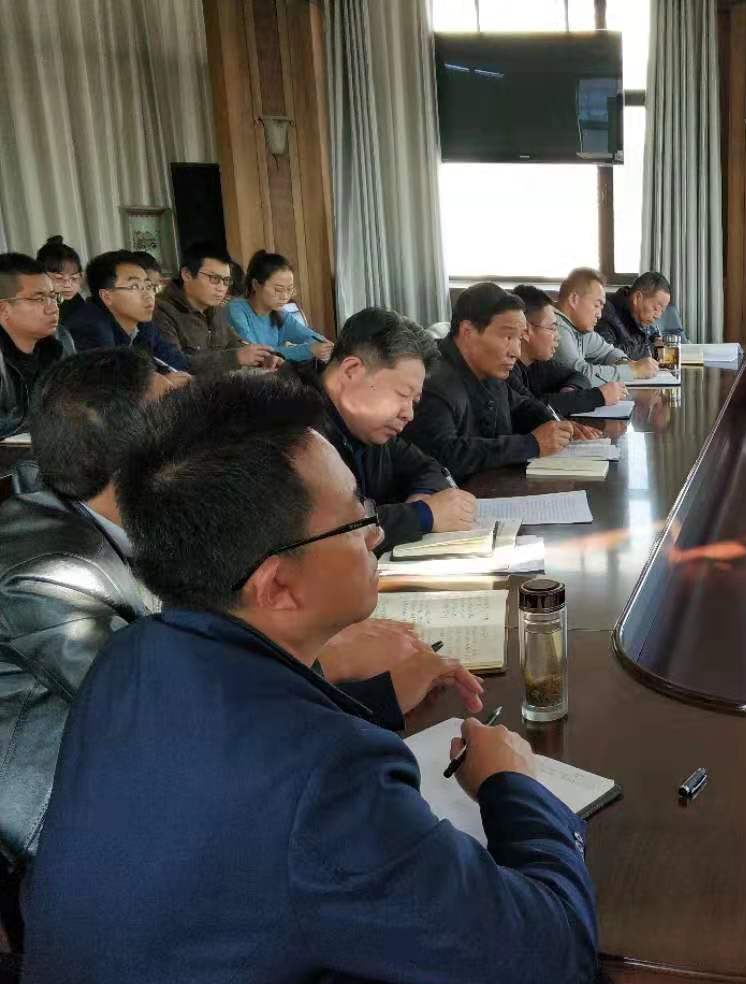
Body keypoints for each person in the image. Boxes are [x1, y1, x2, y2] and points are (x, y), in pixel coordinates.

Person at [0, 373, 593, 984]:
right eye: (354, 518)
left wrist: (373, 696)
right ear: (277, 585)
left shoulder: (131, 659)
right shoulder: (324, 778)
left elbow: (233, 779)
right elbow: (551, 958)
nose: (376, 531)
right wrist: (511, 785)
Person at [0, 351, 446, 871]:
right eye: (183, 413)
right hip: (86, 833)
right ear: (144, 460)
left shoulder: (132, 517)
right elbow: (177, 714)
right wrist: (337, 665)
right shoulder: (49, 575)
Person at [286, 307, 476, 553]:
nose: (409, 414)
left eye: (414, 401)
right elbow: (319, 536)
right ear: (352, 371)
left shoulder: (368, 428)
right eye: (402, 394)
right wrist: (421, 515)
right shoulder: (287, 429)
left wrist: (422, 496)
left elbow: (428, 467)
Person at [405, 283, 594, 481]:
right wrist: (531, 444)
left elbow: (520, 406)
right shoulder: (431, 379)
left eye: (518, 339)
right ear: (468, 331)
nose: (516, 352)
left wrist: (556, 425)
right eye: (507, 337)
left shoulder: (489, 370)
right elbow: (443, 455)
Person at [152, 240, 280, 374]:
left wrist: (263, 358)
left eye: (226, 281)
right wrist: (235, 358)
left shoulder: (216, 309)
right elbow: (173, 365)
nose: (221, 288)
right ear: (187, 275)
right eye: (214, 279)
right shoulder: (161, 310)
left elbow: (234, 344)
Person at [63, 250, 190, 374]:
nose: (148, 295)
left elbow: (175, 360)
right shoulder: (90, 329)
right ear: (107, 296)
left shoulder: (142, 323)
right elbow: (110, 381)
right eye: (134, 286)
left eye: (148, 286)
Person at [514, 283, 627, 417]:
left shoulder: (537, 364)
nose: (558, 336)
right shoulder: (507, 371)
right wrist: (598, 396)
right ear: (526, 331)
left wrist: (570, 391)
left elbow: (578, 376)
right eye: (552, 328)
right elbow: (532, 406)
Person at [0, 253, 70, 437]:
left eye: (53, 297)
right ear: (3, 309)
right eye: (39, 299)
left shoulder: (60, 340)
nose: (53, 308)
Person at [554, 266, 658, 384]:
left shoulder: (579, 328)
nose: (599, 315)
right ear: (574, 299)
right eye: (596, 305)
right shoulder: (554, 326)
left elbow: (608, 352)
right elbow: (578, 375)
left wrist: (627, 363)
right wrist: (633, 371)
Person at [228, 249, 335, 363]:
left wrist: (324, 345)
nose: (285, 296)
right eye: (278, 290)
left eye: (289, 289)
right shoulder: (236, 309)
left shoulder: (280, 314)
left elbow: (309, 336)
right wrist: (308, 350)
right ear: (256, 285)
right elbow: (256, 354)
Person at [597, 270, 672, 360]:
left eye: (662, 311)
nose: (658, 316)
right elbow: (607, 356)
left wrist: (656, 342)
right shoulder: (604, 313)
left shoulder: (641, 317)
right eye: (656, 308)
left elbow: (653, 339)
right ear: (637, 298)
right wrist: (651, 348)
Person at [35, 235, 85, 323]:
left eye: (74, 278)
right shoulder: (33, 306)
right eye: (59, 278)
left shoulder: (76, 300)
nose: (68, 285)